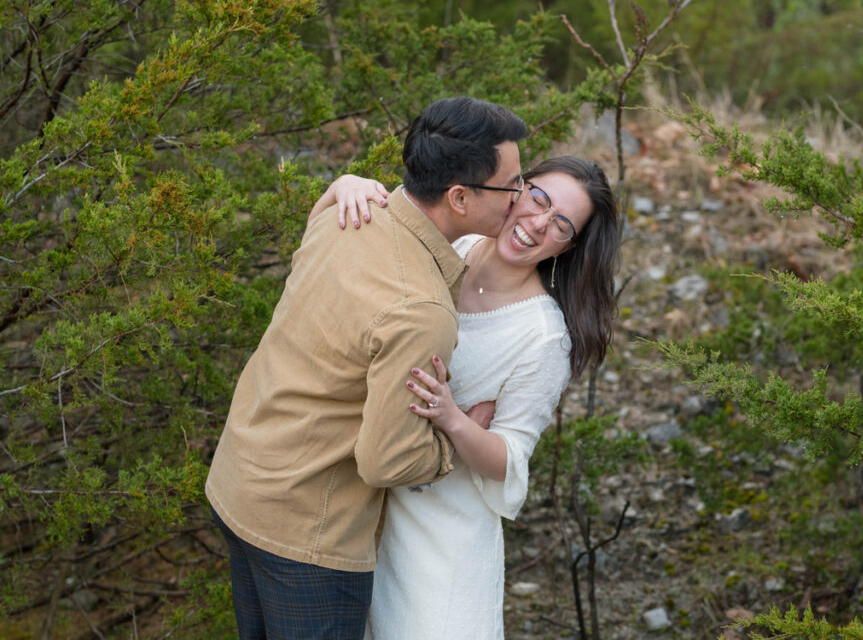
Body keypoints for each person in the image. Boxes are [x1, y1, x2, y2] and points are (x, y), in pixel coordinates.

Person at [205, 96, 529, 639]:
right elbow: (388, 461)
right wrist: (459, 437)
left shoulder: (348, 212)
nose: (521, 198)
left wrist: (342, 181)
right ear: (459, 197)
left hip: (239, 482)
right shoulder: (418, 308)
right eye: (512, 185)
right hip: (308, 532)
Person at [311, 155, 620, 639]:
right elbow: (372, 234)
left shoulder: (542, 336)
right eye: (537, 198)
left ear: (570, 246)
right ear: (515, 188)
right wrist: (346, 184)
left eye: (561, 224)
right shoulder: (456, 241)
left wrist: (452, 418)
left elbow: (511, 458)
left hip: (442, 541)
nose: (538, 224)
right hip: (363, 511)